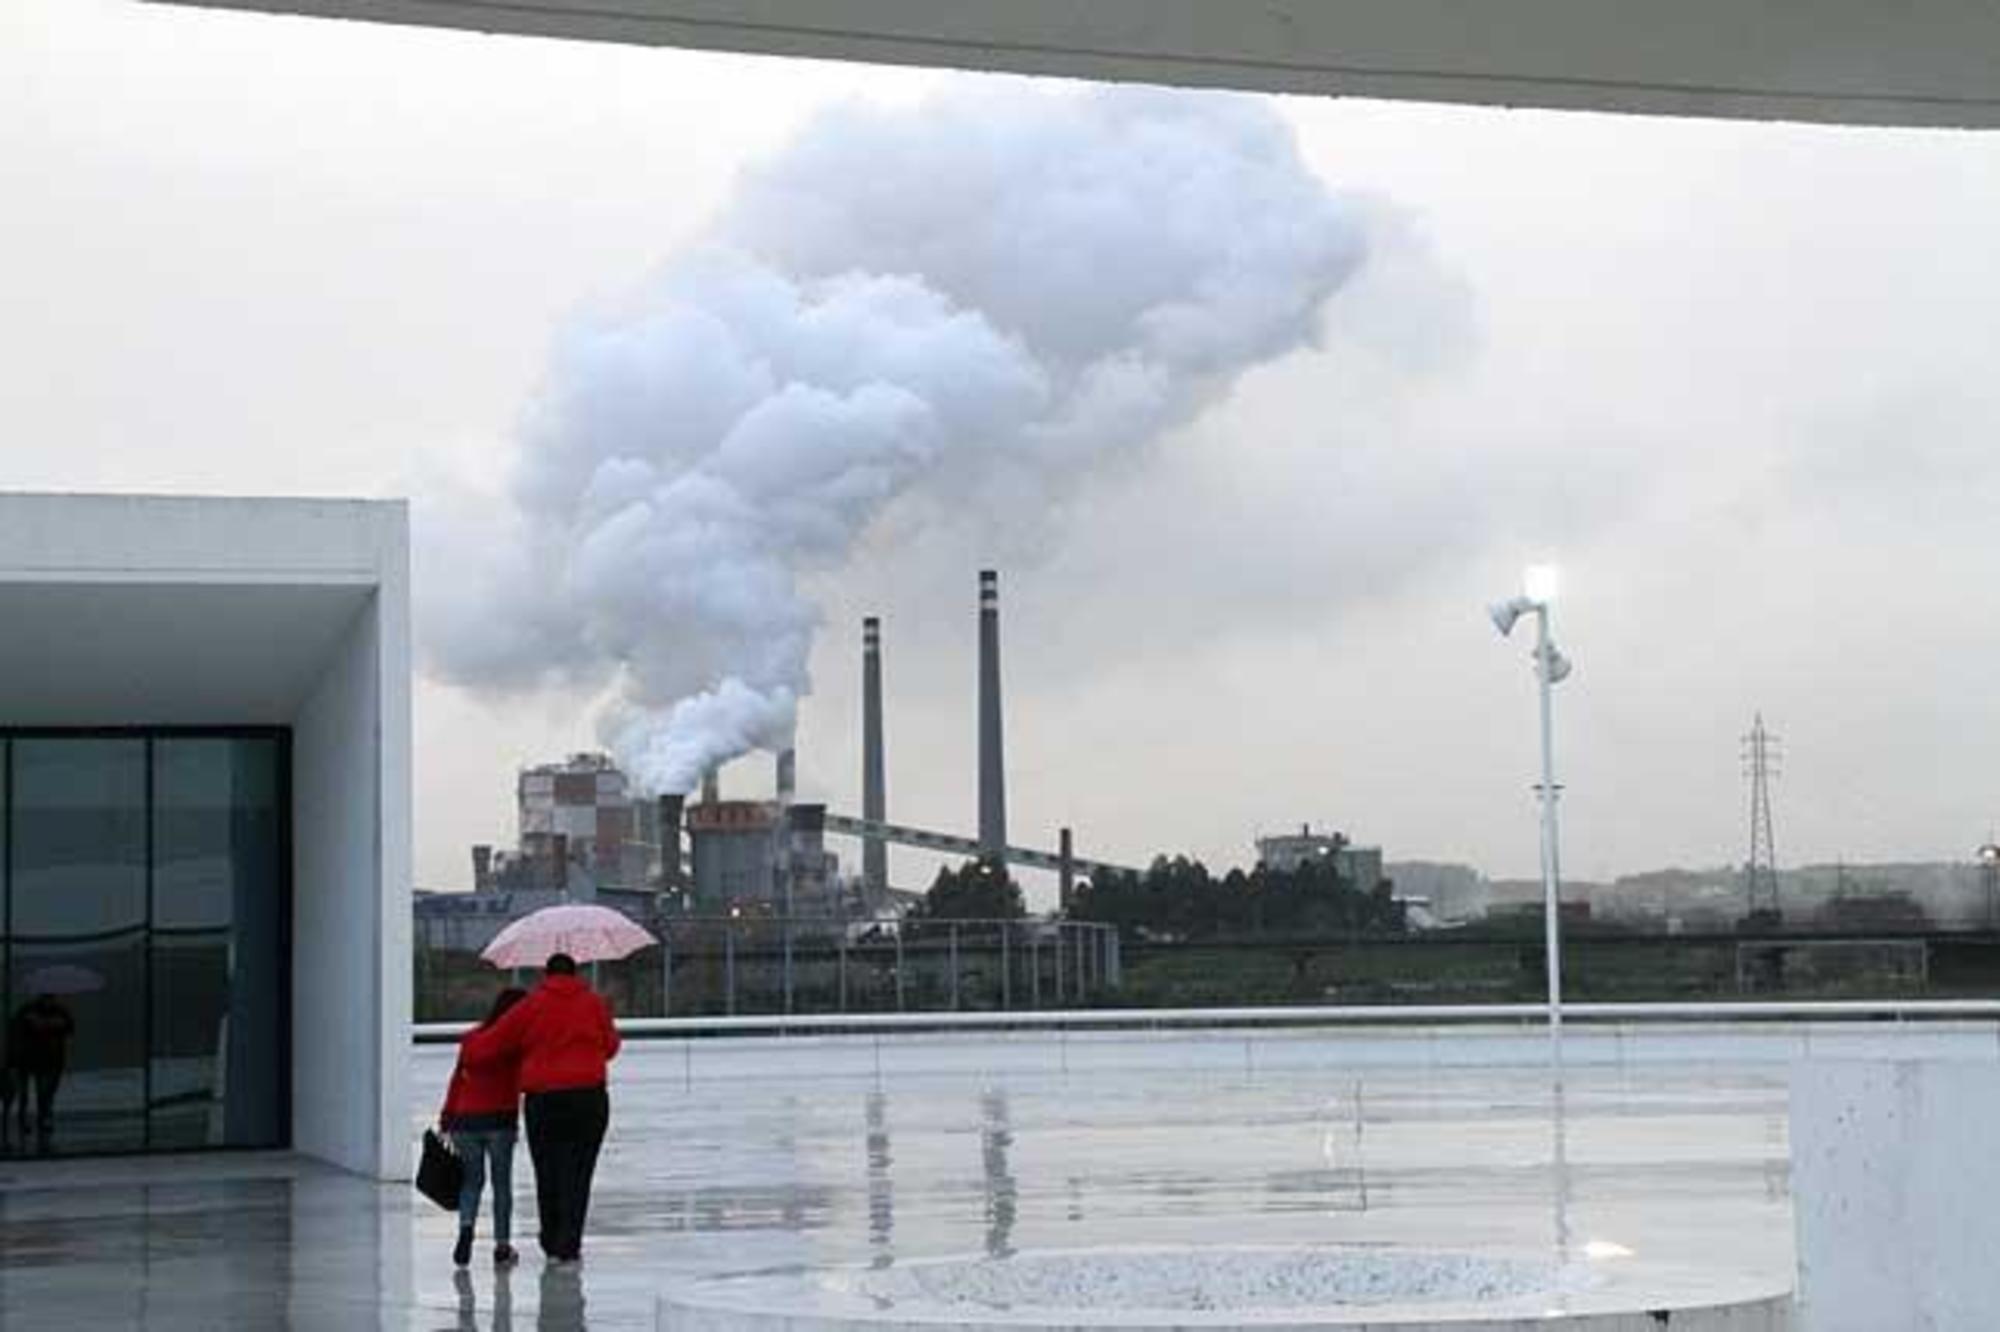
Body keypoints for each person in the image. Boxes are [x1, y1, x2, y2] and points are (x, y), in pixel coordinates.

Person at [463, 953, 619, 1265]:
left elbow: (486, 1047)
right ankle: (569, 1244)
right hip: (589, 1099)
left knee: (547, 1170)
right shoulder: (594, 1003)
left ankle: (550, 1239)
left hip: (544, 1101)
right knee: (579, 1171)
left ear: (545, 975)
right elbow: (611, 1046)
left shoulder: (530, 1006)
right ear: (575, 974)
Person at [442, 986, 528, 1268]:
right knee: (501, 1184)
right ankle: (502, 1247)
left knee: (471, 1182)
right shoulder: (516, 1044)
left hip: (464, 1121)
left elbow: (458, 1079)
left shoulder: (471, 1038)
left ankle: (466, 1229)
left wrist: (447, 1117)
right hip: (499, 1120)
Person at [6, 994, 75, 1150]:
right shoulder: (30, 1012)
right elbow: (16, 1033)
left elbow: (69, 1029)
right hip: (32, 1059)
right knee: (32, 1094)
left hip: (47, 1060)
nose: (49, 1001)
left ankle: (41, 1120)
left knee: (44, 1094)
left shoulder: (58, 1012)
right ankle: (33, 1121)